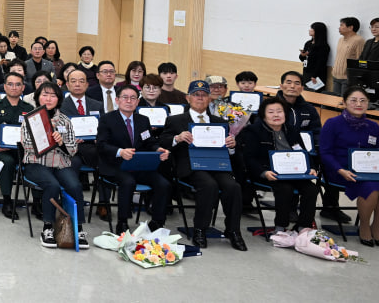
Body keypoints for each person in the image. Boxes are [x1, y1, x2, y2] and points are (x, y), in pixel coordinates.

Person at [162, 80, 246, 251]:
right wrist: (177, 138)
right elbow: (162, 141)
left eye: (204, 95)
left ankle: (233, 230)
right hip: (191, 166)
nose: (200, 98)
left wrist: (231, 145)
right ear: (188, 98)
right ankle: (200, 229)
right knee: (209, 185)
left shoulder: (219, 121)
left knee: (233, 186)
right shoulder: (176, 120)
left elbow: (229, 151)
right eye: (196, 95)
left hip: (216, 165)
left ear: (209, 98)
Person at [97, 85, 172, 233]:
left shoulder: (143, 120)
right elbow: (101, 145)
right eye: (125, 97)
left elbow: (149, 142)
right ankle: (122, 222)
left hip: (138, 165)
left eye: (133, 98)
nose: (129, 101)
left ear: (137, 102)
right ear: (117, 100)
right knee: (128, 182)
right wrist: (120, 152)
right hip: (115, 165)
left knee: (163, 184)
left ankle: (157, 222)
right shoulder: (107, 119)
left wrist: (158, 150)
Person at [21, 82, 88, 248]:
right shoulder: (31, 118)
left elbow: (72, 150)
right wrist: (52, 139)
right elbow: (28, 146)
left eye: (53, 95)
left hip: (60, 164)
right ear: (37, 97)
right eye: (45, 94)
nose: (48, 98)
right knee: (52, 186)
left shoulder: (65, 121)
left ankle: (78, 228)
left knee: (75, 185)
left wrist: (61, 143)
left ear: (58, 99)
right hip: (36, 163)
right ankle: (48, 227)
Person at [237, 98, 318, 232]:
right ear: (263, 115)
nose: (276, 115)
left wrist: (311, 167)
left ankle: (304, 226)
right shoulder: (253, 131)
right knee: (285, 189)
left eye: (279, 111)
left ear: (285, 114)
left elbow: (303, 152)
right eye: (271, 112)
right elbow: (249, 158)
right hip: (268, 172)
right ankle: (280, 227)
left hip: (294, 172)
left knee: (311, 189)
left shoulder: (292, 129)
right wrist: (264, 172)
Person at [321, 86, 379, 245]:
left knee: (374, 183)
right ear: (345, 102)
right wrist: (341, 170)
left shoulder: (373, 126)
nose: (358, 104)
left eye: (363, 101)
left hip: (368, 171)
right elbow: (325, 152)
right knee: (372, 188)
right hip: (339, 170)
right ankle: (365, 227)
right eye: (353, 100)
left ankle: (377, 226)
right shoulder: (333, 123)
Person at [0, 72, 31, 220]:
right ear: (4, 86)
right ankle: (8, 201)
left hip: (24, 150)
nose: (14, 87)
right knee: (7, 162)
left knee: (37, 161)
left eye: (18, 84)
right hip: (0, 149)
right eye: (10, 84)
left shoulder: (29, 108)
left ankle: (39, 202)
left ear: (23, 87)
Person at [332, 17, 365, 94]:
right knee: (334, 102)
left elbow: (359, 59)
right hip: (335, 76)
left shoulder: (359, 40)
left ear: (350, 27)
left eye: (341, 25)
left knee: (345, 102)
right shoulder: (340, 39)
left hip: (347, 78)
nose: (339, 28)